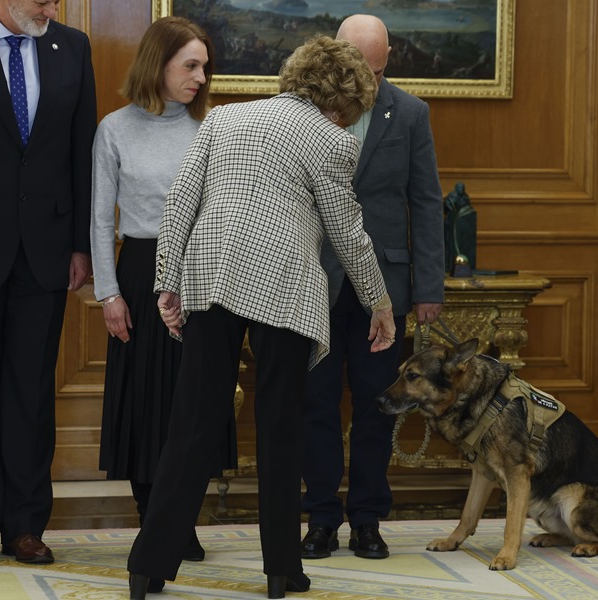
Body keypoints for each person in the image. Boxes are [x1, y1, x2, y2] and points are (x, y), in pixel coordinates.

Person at [125, 35, 396, 600]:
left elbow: (180, 201)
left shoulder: (224, 119)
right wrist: (380, 300)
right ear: (342, 99)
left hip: (212, 276)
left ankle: (148, 565)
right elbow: (348, 231)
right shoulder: (330, 140)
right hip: (285, 287)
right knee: (281, 427)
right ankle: (281, 571)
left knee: (191, 424)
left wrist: (166, 282)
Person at [0, 0, 97, 565]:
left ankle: (26, 524)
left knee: (31, 390)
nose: (51, 6)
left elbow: (83, 151)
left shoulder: (72, 47)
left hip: (47, 250)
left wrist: (81, 242)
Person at [89, 17, 231, 593]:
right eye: (189, 65)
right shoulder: (113, 129)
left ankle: (181, 522)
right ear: (159, 64)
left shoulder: (214, 129)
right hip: (140, 273)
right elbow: (101, 219)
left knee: (193, 405)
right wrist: (108, 293)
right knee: (145, 403)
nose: (200, 77)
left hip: (202, 277)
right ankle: (156, 524)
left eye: (204, 67)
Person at [300, 14, 445, 561]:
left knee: (376, 405)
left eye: (379, 71)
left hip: (383, 287)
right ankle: (320, 518)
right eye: (361, 69)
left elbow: (426, 202)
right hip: (313, 279)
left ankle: (366, 519)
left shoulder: (409, 113)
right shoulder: (302, 107)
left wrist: (429, 285)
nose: (370, 82)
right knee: (314, 403)